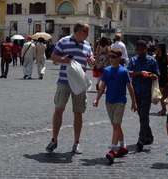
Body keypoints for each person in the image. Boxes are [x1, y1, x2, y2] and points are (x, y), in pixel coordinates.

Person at [45, 21, 95, 155]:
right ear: (79, 32)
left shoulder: (87, 46)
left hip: (79, 84)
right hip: (64, 82)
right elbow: (53, 57)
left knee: (78, 113)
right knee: (58, 109)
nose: (88, 34)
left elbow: (91, 62)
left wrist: (91, 62)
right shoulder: (64, 41)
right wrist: (63, 60)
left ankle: (76, 143)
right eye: (87, 32)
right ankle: (54, 140)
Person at [92, 49, 136, 164]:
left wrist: (133, 102)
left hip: (120, 101)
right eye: (109, 56)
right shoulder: (107, 70)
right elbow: (103, 86)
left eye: (113, 56)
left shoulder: (124, 71)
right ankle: (123, 146)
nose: (111, 58)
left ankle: (112, 150)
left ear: (119, 57)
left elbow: (130, 87)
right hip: (109, 101)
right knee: (116, 125)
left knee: (116, 125)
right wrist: (97, 98)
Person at [128, 40, 160, 152]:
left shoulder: (152, 61)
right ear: (137, 49)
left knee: (144, 116)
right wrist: (140, 73)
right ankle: (149, 136)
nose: (141, 51)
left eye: (143, 49)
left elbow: (157, 75)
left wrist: (151, 75)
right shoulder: (133, 60)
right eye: (139, 49)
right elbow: (129, 73)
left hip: (147, 92)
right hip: (135, 92)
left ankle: (141, 139)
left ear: (146, 49)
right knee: (141, 115)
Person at [155, 42, 168, 114]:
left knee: (165, 92)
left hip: (165, 75)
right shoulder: (156, 56)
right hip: (159, 76)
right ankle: (164, 108)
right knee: (162, 93)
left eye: (158, 47)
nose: (156, 48)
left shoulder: (166, 55)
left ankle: (166, 106)